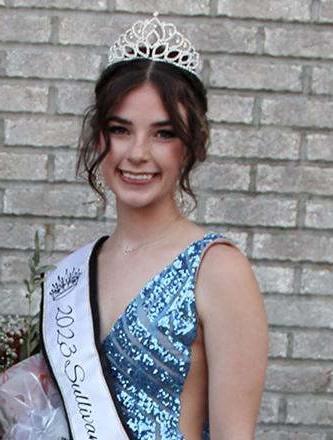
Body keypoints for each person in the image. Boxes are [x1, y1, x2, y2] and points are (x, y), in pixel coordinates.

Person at [40, 14, 267, 439]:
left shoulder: (217, 269)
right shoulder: (75, 272)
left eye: (163, 134)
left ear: (192, 144)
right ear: (98, 139)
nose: (138, 153)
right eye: (120, 130)